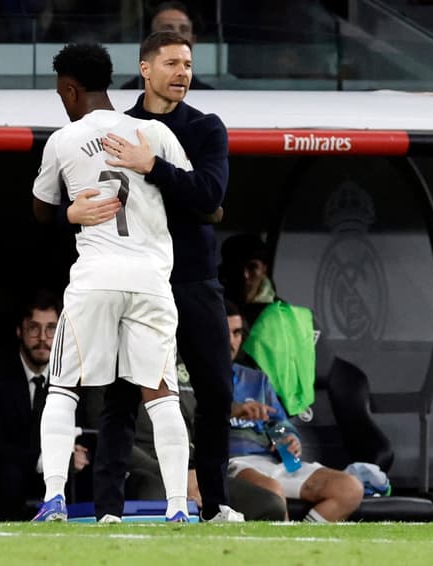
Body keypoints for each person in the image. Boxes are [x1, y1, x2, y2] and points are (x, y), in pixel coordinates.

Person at [68, 30, 238, 523]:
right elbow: (86, 194)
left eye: (188, 64)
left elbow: (211, 194)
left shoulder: (206, 127)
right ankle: (108, 510)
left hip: (193, 278)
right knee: (122, 396)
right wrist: (71, 213)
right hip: (137, 278)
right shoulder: (117, 128)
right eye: (171, 63)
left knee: (216, 392)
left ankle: (215, 505)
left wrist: (153, 167)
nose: (182, 73)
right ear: (145, 69)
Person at [30, 42, 192, 523]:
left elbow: (40, 212)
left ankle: (54, 498)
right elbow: (198, 198)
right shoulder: (154, 132)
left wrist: (70, 213)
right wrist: (152, 172)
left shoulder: (64, 140)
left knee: (62, 388)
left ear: (69, 89)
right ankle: (179, 507)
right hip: (150, 279)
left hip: (96, 277)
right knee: (162, 395)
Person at [225, 299, 364, 522]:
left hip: (273, 462)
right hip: (232, 463)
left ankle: (302, 539)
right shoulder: (189, 377)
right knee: (272, 494)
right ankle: (285, 543)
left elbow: (276, 423)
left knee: (349, 488)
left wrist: (288, 438)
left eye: (237, 333)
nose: (231, 341)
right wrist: (233, 411)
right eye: (224, 332)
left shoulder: (257, 380)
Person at [0, 288, 92, 520]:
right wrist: (44, 460)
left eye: (51, 329)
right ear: (19, 331)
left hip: (60, 480)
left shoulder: (73, 377)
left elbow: (83, 431)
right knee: (6, 476)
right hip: (4, 481)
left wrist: (77, 453)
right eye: (34, 328)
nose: (43, 338)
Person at [122, 357, 288, 521]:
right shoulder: (123, 364)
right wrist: (175, 476)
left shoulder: (185, 364)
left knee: (270, 505)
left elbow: (202, 416)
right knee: (154, 497)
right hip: (146, 471)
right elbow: (112, 440)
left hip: (194, 472)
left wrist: (200, 471)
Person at [121, 2, 213, 91]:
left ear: (193, 40)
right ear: (150, 40)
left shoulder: (208, 94)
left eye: (184, 30)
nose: (177, 35)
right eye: (167, 30)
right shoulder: (129, 92)